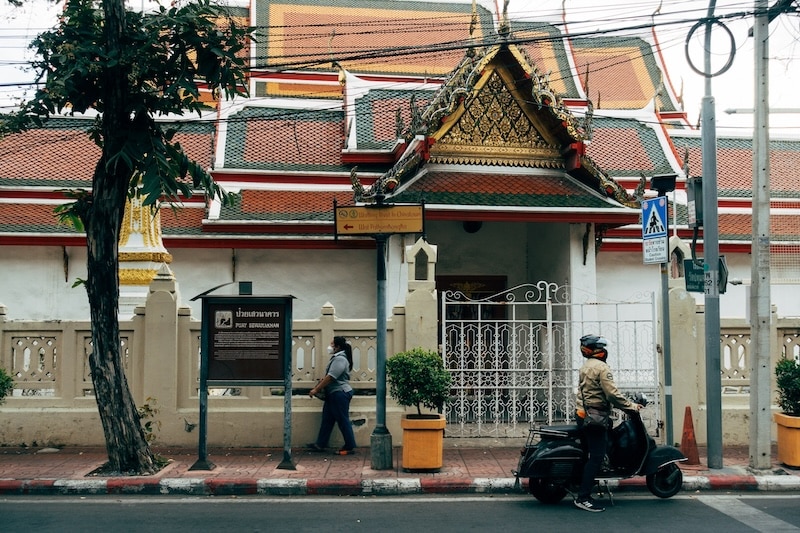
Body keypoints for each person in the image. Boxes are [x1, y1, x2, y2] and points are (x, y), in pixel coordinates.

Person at [574, 334, 642, 513]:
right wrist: (631, 406)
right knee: (596, 456)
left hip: (583, 414)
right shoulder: (601, 368)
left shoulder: (586, 366)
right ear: (596, 350)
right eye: (601, 348)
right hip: (594, 417)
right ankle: (583, 498)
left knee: (593, 451)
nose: (604, 351)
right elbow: (612, 394)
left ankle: (591, 481)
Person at [308, 336, 357, 455]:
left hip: (339, 393)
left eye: (332, 344)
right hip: (334, 394)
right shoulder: (338, 358)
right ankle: (320, 444)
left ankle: (349, 446)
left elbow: (331, 377)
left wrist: (316, 389)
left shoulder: (340, 359)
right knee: (327, 420)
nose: (330, 347)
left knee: (342, 420)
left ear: (338, 347)